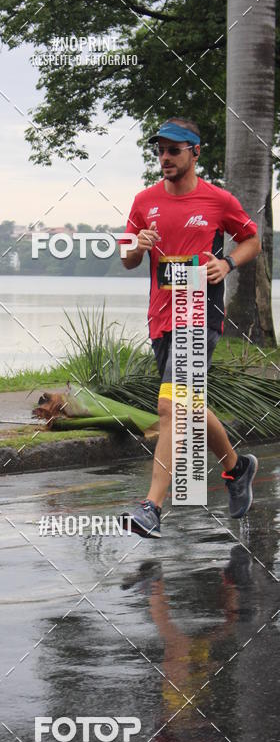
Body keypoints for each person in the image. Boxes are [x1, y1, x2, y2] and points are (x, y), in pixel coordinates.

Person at [120, 117, 261, 538]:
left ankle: (152, 507)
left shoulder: (217, 200)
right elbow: (127, 257)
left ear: (195, 153)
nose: (164, 158)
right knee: (189, 409)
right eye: (160, 150)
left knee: (170, 408)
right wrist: (136, 247)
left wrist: (228, 262)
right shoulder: (145, 201)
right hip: (161, 318)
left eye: (173, 150)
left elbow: (252, 238)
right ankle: (236, 470)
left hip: (200, 316)